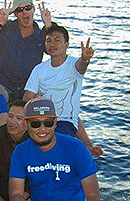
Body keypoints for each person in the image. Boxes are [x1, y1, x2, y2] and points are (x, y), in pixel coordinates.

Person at [22, 24, 103, 156]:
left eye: (57, 40)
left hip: (63, 122)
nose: (52, 44)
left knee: (55, 146)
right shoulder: (39, 69)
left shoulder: (73, 65)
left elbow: (81, 66)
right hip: (39, 119)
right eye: (49, 40)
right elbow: (26, 98)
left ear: (66, 44)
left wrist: (85, 59)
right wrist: (35, 100)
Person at [0, 0, 52, 101]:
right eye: (19, 10)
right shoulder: (5, 27)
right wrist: (0, 23)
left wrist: (49, 25)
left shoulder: (42, 34)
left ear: (33, 10)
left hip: (28, 88)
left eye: (28, 8)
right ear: (14, 14)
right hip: (2, 84)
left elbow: (54, 51)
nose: (24, 13)